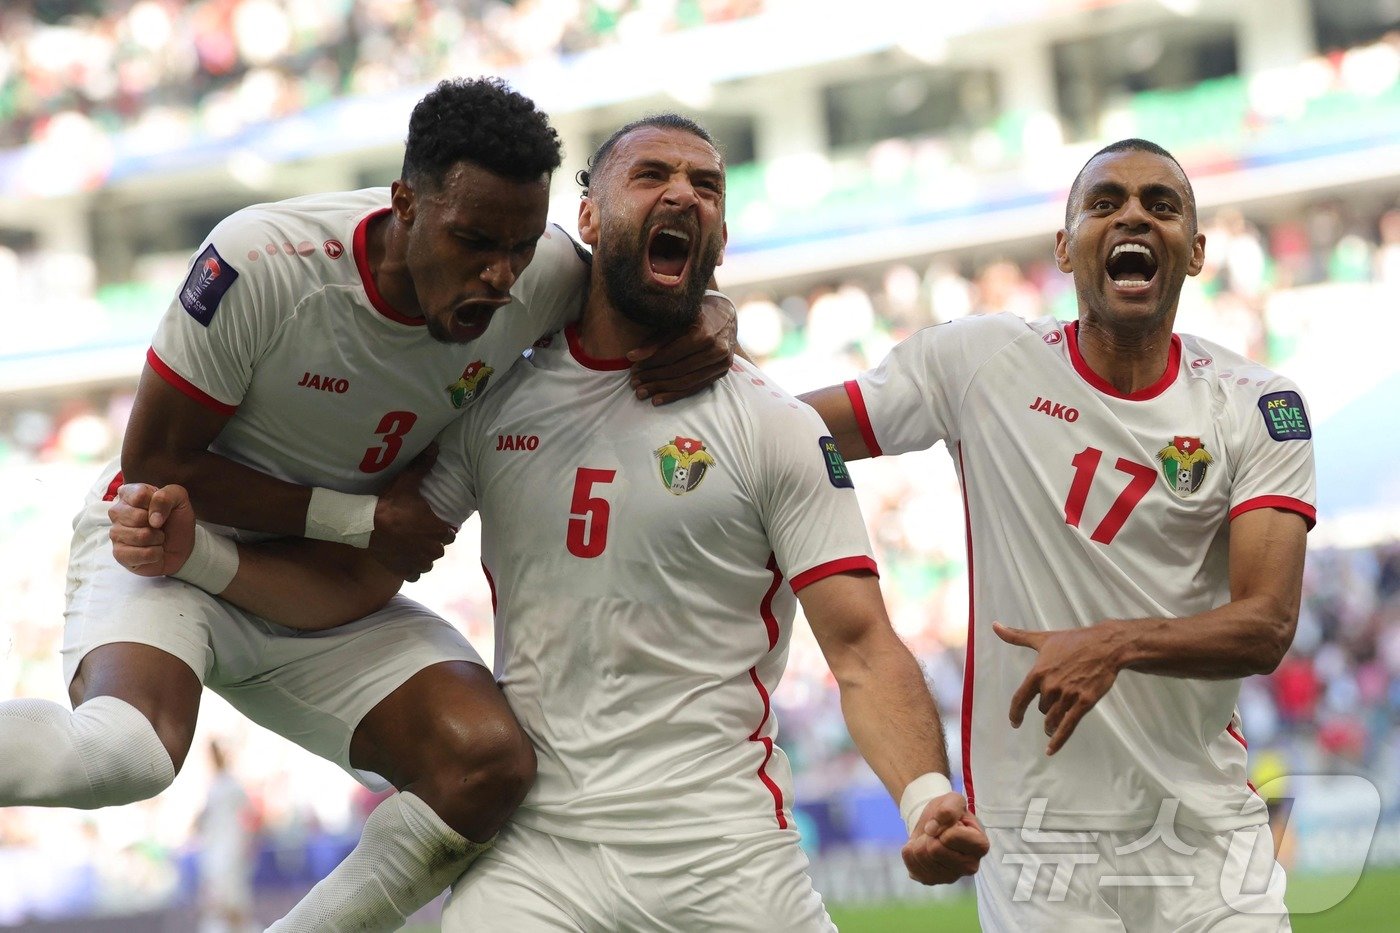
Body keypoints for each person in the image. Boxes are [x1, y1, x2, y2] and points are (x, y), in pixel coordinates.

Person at [112, 113, 991, 929]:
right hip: (540, 858)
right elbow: (363, 573)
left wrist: (923, 796)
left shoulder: (776, 426)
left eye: (708, 186)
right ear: (588, 222)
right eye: (651, 175)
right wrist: (205, 566)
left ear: (720, 236)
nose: (684, 194)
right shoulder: (490, 407)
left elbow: (863, 645)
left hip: (724, 854)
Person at [0, 77, 735, 932]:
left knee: (487, 763)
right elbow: (156, 463)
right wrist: (351, 518)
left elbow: (648, 295)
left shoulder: (541, 276)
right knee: (124, 755)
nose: (499, 275)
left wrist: (711, 310)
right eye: (473, 241)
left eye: (521, 246)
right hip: (165, 548)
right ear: (404, 205)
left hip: (318, 581)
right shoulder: (261, 262)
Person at [800, 138, 1315, 930]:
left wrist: (1114, 642)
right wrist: (710, 358)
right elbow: (786, 432)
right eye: (1105, 202)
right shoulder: (980, 361)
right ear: (1066, 247)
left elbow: (1267, 623)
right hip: (1039, 852)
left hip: (1207, 844)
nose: (1134, 215)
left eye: (1162, 204)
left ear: (1198, 251)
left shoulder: (1257, 405)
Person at [195, 741, 257, 933]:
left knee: (232, 896)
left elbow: (249, 812)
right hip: (215, 848)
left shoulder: (231, 784)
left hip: (230, 847)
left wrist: (246, 840)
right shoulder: (213, 785)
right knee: (217, 896)